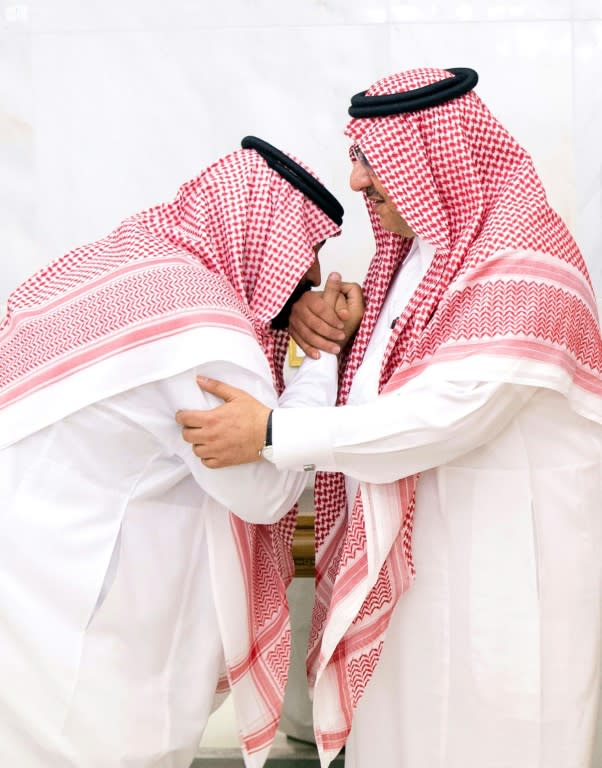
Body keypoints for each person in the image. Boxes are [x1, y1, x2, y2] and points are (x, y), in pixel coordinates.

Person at [176, 69, 602, 768]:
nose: (358, 182)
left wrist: (274, 433)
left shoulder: (527, 262)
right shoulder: (411, 258)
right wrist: (324, 342)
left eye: (373, 161)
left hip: (502, 581)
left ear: (438, 157)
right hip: (412, 588)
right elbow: (372, 392)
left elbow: (443, 414)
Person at [0, 136, 364, 768]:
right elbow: (265, 490)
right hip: (88, 601)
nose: (306, 275)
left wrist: (280, 326)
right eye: (306, 251)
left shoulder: (120, 262)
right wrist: (322, 359)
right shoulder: (204, 324)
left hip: (32, 570)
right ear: (266, 234)